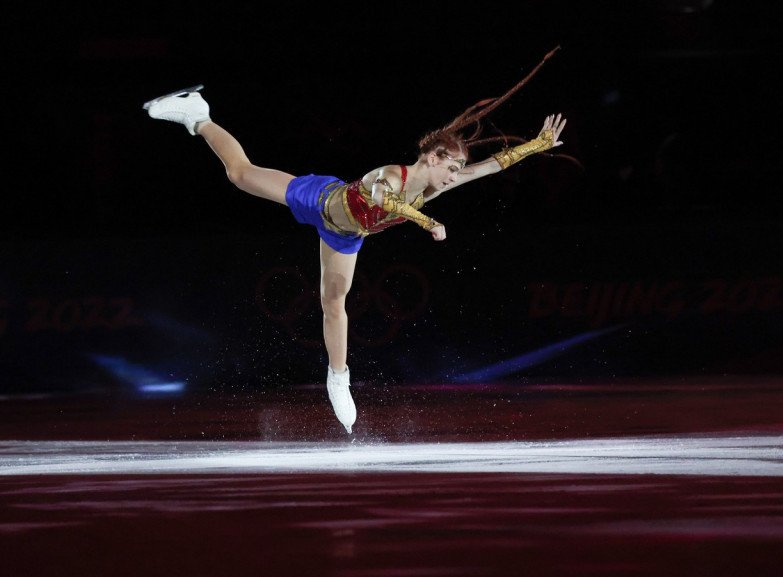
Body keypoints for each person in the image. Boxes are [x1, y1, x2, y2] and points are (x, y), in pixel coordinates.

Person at [143, 49, 567, 434]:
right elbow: (391, 201)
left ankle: (338, 378)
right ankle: (198, 116)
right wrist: (428, 221)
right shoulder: (390, 175)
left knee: (333, 302)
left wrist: (535, 145)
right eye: (452, 168)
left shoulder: (436, 186)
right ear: (432, 157)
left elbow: (489, 168)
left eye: (457, 171)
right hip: (319, 200)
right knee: (239, 174)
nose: (455, 176)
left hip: (345, 234)